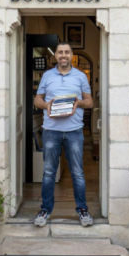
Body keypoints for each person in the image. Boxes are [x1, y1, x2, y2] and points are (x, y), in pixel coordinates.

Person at [33, 42, 94, 227]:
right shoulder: (47, 76)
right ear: (56, 56)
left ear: (71, 55)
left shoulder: (81, 76)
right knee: (49, 172)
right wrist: (46, 105)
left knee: (77, 172)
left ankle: (82, 210)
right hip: (51, 131)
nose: (63, 55)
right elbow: (38, 99)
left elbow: (89, 102)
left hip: (74, 131)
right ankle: (45, 210)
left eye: (67, 52)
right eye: (60, 52)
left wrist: (78, 103)